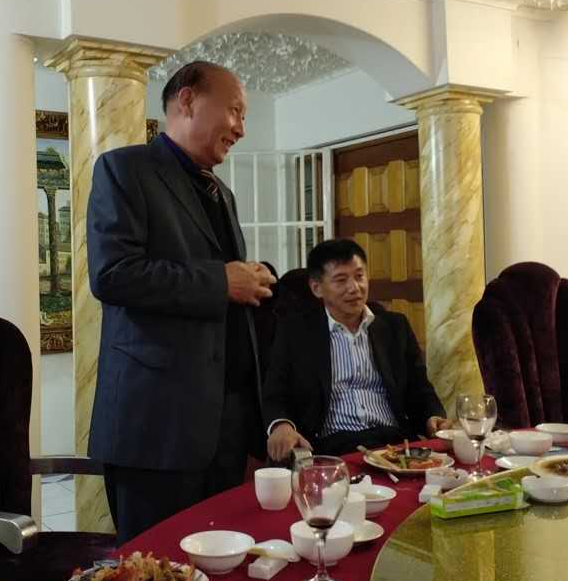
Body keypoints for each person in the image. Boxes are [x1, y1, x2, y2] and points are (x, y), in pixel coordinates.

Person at [86, 60, 275, 544]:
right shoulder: (124, 169)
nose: (241, 128)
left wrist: (251, 281)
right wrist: (222, 281)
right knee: (157, 570)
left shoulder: (222, 193)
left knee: (222, 563)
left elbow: (220, 286)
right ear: (187, 100)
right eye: (235, 111)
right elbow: (113, 275)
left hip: (225, 430)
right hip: (157, 428)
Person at [263, 238, 451, 460]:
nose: (354, 288)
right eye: (341, 280)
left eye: (359, 276)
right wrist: (282, 425)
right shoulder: (296, 333)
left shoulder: (395, 327)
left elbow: (419, 387)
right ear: (317, 288)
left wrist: (432, 416)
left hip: (393, 444)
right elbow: (275, 394)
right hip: (332, 447)